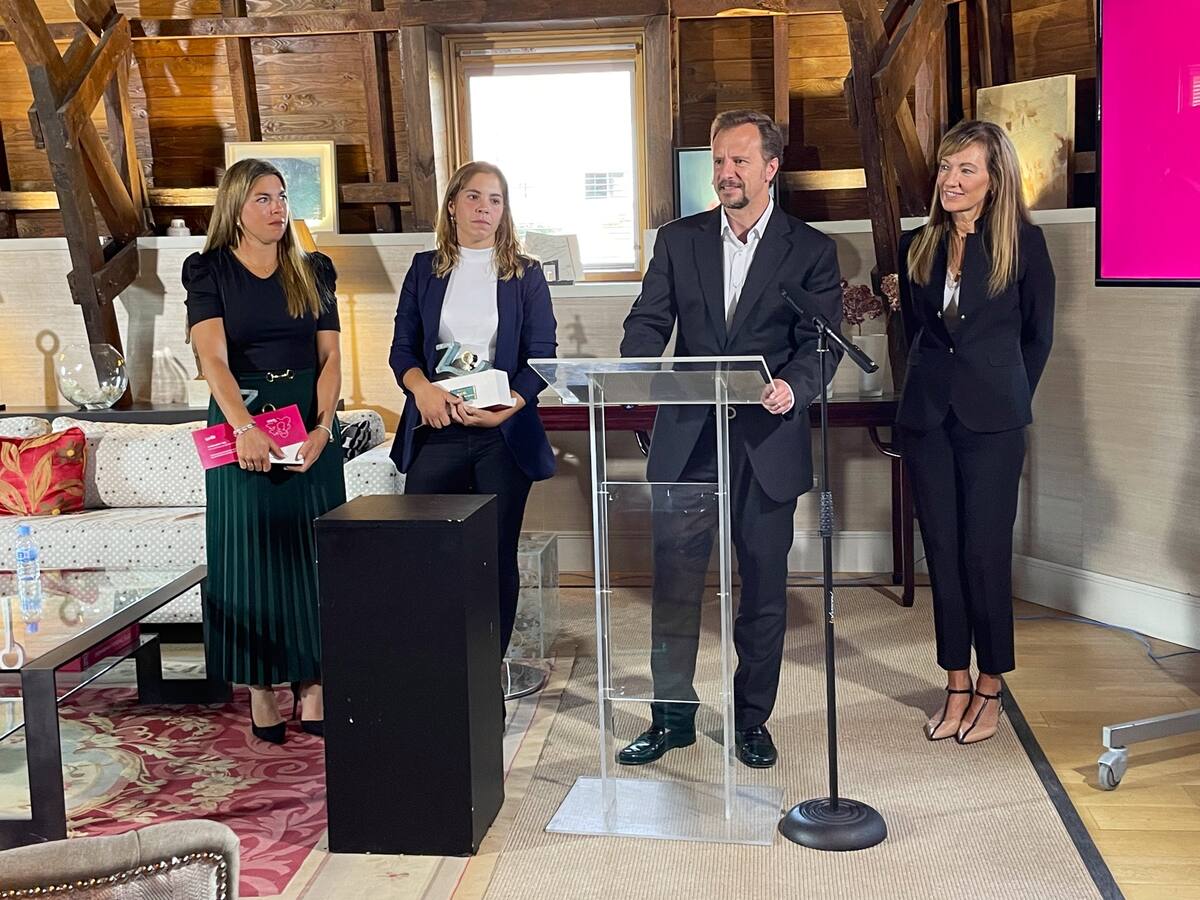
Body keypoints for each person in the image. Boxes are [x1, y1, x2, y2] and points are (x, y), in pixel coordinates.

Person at [618, 110, 843, 769]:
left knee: (763, 590)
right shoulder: (678, 240)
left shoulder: (812, 250)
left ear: (772, 168)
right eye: (719, 161)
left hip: (766, 442)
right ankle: (671, 720)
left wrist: (794, 388)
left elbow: (819, 346)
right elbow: (647, 321)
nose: (725, 173)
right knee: (676, 587)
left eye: (740, 161)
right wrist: (634, 369)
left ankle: (751, 722)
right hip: (688, 439)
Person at [895, 119, 1055, 745]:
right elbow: (917, 334)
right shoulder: (919, 243)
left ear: (994, 180)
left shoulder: (1024, 245)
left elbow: (1037, 338)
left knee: (984, 555)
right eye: (945, 168)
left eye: (966, 170)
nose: (951, 181)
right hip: (928, 418)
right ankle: (955, 681)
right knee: (943, 553)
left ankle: (992, 687)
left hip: (994, 421)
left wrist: (1007, 395)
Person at [184, 158, 346, 745]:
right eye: (263, 198)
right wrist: (245, 428)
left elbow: (329, 358)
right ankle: (259, 688)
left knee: (313, 554)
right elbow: (213, 361)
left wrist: (324, 428)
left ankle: (313, 683)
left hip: (307, 421)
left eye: (282, 197)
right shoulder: (208, 272)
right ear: (235, 207)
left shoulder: (313, 270)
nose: (278, 208)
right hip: (242, 417)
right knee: (248, 557)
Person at [389, 161, 557, 659]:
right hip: (436, 428)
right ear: (453, 204)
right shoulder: (424, 268)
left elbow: (542, 355)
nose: (485, 209)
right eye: (474, 197)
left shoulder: (525, 274)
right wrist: (422, 390)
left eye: (496, 200)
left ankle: (487, 672)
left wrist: (511, 406)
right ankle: (437, 668)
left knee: (494, 559)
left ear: (505, 212)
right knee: (426, 556)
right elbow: (402, 349)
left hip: (500, 436)